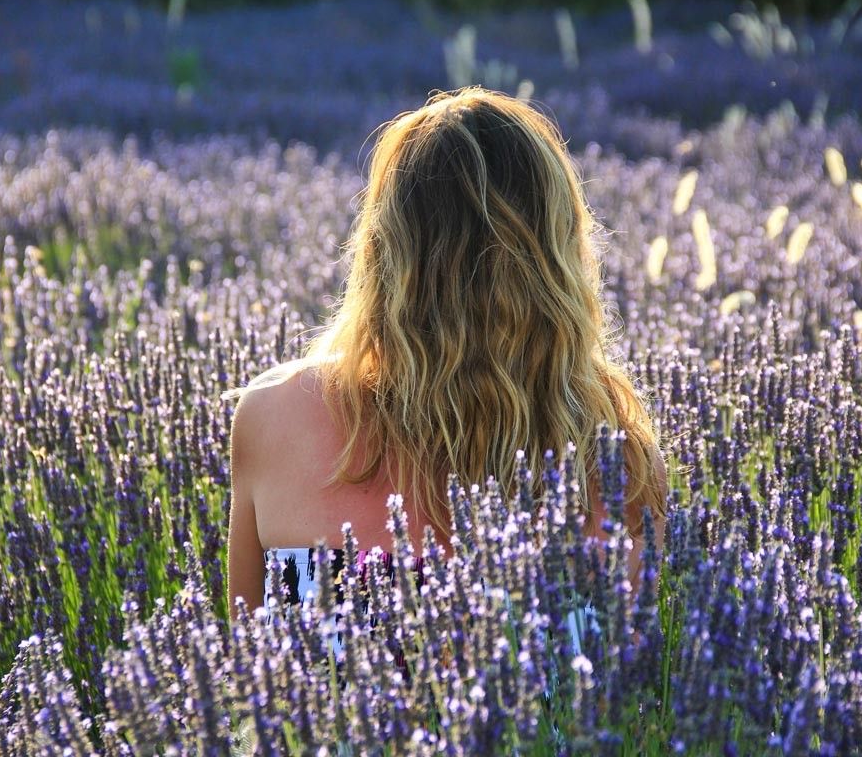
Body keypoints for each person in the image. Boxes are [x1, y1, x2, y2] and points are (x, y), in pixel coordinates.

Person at [225, 86, 668, 631]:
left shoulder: (274, 417)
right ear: (556, 257)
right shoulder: (617, 459)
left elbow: (242, 678)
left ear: (383, 249)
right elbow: (649, 699)